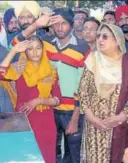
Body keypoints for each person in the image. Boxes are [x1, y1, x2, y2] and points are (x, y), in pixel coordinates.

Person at [11, 8, 90, 163]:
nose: (60, 27)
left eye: (64, 23)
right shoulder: (44, 44)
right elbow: (15, 43)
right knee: (50, 154)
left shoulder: (83, 48)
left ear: (72, 25)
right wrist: (35, 25)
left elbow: (84, 85)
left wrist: (75, 116)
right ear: (50, 26)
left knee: (73, 155)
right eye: (56, 24)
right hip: (48, 111)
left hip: (71, 111)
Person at [0, 35, 61, 163]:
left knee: (46, 158)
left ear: (43, 49)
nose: (35, 52)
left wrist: (38, 101)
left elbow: (58, 100)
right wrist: (14, 50)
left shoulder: (51, 70)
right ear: (25, 51)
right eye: (30, 49)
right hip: (24, 121)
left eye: (38, 48)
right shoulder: (19, 68)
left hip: (45, 122)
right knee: (24, 158)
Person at [79, 23, 128, 163]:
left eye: (105, 36)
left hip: (119, 126)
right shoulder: (92, 60)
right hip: (94, 127)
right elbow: (83, 91)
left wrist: (121, 117)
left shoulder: (126, 63)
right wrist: (92, 118)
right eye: (99, 36)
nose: (100, 39)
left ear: (117, 40)